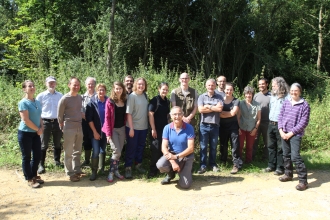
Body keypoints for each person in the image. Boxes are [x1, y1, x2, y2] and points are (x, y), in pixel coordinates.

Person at [278, 83, 310, 191]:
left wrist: (291, 133)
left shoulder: (304, 105)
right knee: (286, 155)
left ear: (300, 91)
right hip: (284, 133)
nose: (293, 93)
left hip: (295, 135)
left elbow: (303, 122)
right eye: (291, 91)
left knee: (295, 157)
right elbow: (280, 116)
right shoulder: (286, 102)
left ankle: (303, 181)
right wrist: (281, 130)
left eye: (295, 91)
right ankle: (288, 174)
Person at [156, 106, 195, 189]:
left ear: (182, 115)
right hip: (172, 155)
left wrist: (177, 156)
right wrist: (173, 162)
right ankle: (171, 174)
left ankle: (184, 172)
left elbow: (191, 148)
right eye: (174, 114)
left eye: (179, 114)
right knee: (160, 165)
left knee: (185, 185)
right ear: (171, 116)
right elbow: (164, 147)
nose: (177, 116)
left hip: (186, 157)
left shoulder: (189, 128)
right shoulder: (167, 128)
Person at [57, 77, 85, 182]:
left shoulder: (79, 98)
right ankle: (70, 172)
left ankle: (77, 169)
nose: (76, 87)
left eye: (78, 85)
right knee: (68, 151)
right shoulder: (64, 99)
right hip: (69, 127)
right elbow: (59, 115)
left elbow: (79, 111)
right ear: (69, 85)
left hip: (79, 126)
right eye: (74, 85)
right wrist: (62, 126)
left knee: (77, 150)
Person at [18, 80, 44, 188]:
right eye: (29, 86)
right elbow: (26, 120)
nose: (32, 87)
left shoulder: (37, 102)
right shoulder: (23, 102)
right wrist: (38, 129)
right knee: (27, 156)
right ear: (24, 89)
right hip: (25, 133)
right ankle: (29, 178)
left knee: (37, 155)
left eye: (33, 85)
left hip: (36, 133)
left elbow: (40, 117)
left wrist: (41, 127)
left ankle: (34, 174)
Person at [36, 76, 63, 174]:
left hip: (57, 122)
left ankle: (57, 161)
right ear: (46, 83)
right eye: (50, 83)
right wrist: (39, 123)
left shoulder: (60, 95)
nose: (52, 84)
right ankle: (41, 164)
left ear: (56, 84)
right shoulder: (41, 96)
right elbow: (37, 110)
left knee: (57, 143)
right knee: (43, 145)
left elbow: (63, 110)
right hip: (45, 122)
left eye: (53, 83)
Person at [102, 81, 127, 182]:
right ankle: (111, 172)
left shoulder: (125, 100)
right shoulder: (110, 101)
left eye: (120, 88)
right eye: (116, 88)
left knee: (119, 152)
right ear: (114, 89)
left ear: (123, 89)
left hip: (122, 129)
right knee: (116, 151)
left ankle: (116, 171)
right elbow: (107, 118)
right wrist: (108, 134)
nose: (118, 90)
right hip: (112, 129)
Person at [264, 77, 289, 175]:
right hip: (271, 123)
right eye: (273, 85)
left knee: (280, 147)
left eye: (274, 85)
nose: (272, 87)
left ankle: (280, 167)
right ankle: (271, 165)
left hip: (281, 125)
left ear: (280, 85)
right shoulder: (272, 96)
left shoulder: (287, 97)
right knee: (270, 146)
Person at [197, 79, 223, 174]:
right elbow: (200, 110)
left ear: (215, 86)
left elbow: (220, 109)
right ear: (206, 86)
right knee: (203, 147)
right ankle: (203, 165)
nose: (210, 87)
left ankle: (212, 164)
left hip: (215, 125)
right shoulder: (201, 97)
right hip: (203, 125)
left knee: (213, 146)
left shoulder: (219, 97)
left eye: (212, 85)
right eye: (209, 85)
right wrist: (214, 108)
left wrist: (208, 106)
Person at [124, 77, 149, 179]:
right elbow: (128, 114)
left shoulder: (145, 96)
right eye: (139, 84)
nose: (141, 86)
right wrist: (131, 128)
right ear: (135, 85)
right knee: (131, 148)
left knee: (140, 147)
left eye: (143, 84)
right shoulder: (132, 96)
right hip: (133, 127)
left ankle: (138, 164)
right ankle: (128, 167)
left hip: (144, 127)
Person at [86, 83, 108, 181]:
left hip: (105, 132)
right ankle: (94, 171)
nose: (101, 92)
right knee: (96, 151)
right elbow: (89, 119)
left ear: (105, 91)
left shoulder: (108, 102)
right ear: (96, 91)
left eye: (103, 90)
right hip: (95, 132)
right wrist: (95, 132)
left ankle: (101, 168)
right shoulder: (91, 103)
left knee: (103, 150)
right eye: (99, 90)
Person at [148, 82, 171, 178]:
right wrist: (153, 129)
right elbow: (150, 114)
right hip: (156, 129)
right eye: (163, 89)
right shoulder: (155, 100)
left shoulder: (167, 101)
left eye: (166, 89)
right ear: (159, 89)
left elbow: (167, 115)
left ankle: (162, 169)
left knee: (164, 149)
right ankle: (153, 170)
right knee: (156, 149)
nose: (165, 91)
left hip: (165, 129)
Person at [219, 83, 242, 174]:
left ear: (233, 91)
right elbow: (219, 113)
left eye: (230, 90)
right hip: (222, 126)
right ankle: (223, 161)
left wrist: (223, 113)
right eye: (227, 89)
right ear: (224, 90)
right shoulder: (220, 100)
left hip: (233, 126)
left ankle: (236, 164)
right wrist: (228, 113)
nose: (229, 91)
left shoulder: (236, 101)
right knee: (223, 144)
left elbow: (233, 113)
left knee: (235, 145)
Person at [237, 86, 261, 163]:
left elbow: (259, 119)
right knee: (240, 146)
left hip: (252, 128)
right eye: (247, 94)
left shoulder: (257, 105)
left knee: (249, 147)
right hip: (242, 128)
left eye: (250, 94)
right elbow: (238, 117)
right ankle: (239, 160)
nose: (248, 95)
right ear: (244, 94)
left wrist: (255, 129)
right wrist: (238, 128)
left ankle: (248, 161)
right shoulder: (240, 103)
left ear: (252, 94)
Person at [252, 78, 271, 161]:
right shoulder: (255, 95)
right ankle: (252, 158)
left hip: (267, 122)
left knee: (267, 141)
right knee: (254, 140)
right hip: (256, 122)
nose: (261, 86)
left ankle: (265, 158)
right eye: (259, 84)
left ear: (267, 84)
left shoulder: (272, 95)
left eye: (263, 84)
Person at [81, 77, 97, 168]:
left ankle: (95, 160)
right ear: (86, 85)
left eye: (92, 84)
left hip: (96, 123)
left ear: (95, 85)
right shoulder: (82, 97)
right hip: (85, 123)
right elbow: (80, 110)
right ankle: (87, 160)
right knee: (86, 141)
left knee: (95, 140)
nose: (90, 85)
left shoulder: (98, 95)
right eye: (89, 84)